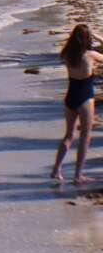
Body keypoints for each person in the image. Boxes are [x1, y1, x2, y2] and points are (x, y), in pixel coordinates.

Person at [51, 24, 103, 185]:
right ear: (87, 38)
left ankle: (56, 169)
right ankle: (78, 175)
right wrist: (98, 37)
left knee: (68, 135)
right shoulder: (90, 55)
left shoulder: (67, 54)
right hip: (85, 97)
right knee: (85, 137)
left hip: (70, 96)